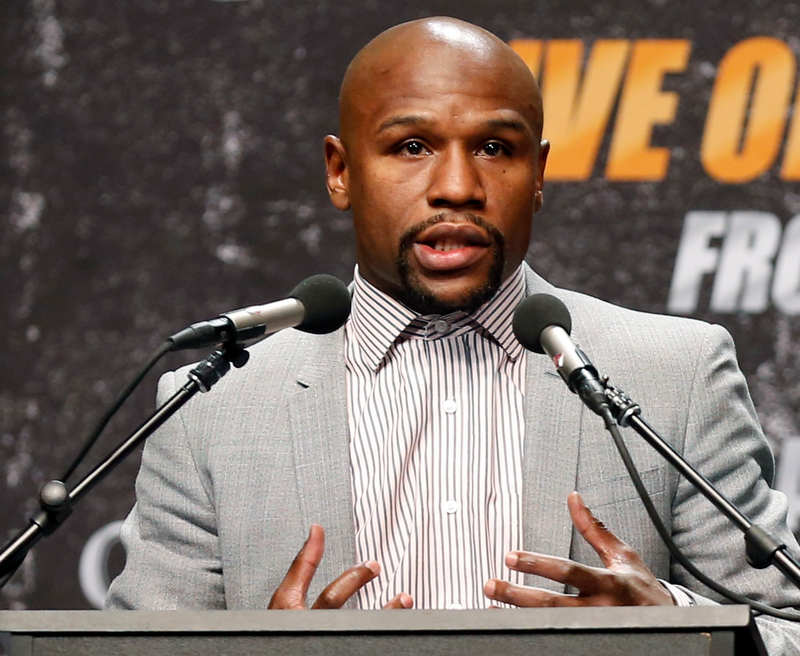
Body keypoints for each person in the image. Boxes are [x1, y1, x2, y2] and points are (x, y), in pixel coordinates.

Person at [107, 16, 800, 652]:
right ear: (341, 171)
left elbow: (786, 628)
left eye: (496, 148)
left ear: (538, 175)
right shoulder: (212, 405)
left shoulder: (676, 373)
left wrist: (680, 626)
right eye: (412, 146)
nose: (458, 186)